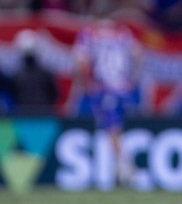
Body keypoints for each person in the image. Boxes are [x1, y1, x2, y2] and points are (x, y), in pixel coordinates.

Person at [72, 16, 143, 186]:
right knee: (115, 127)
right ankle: (120, 166)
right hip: (123, 89)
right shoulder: (123, 33)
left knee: (112, 128)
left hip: (102, 88)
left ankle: (125, 165)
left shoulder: (88, 34)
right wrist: (133, 79)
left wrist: (85, 85)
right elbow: (138, 54)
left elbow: (80, 61)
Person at [10, 30, 60, 115]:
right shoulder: (17, 75)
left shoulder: (16, 75)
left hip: (36, 115)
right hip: (29, 116)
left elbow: (54, 94)